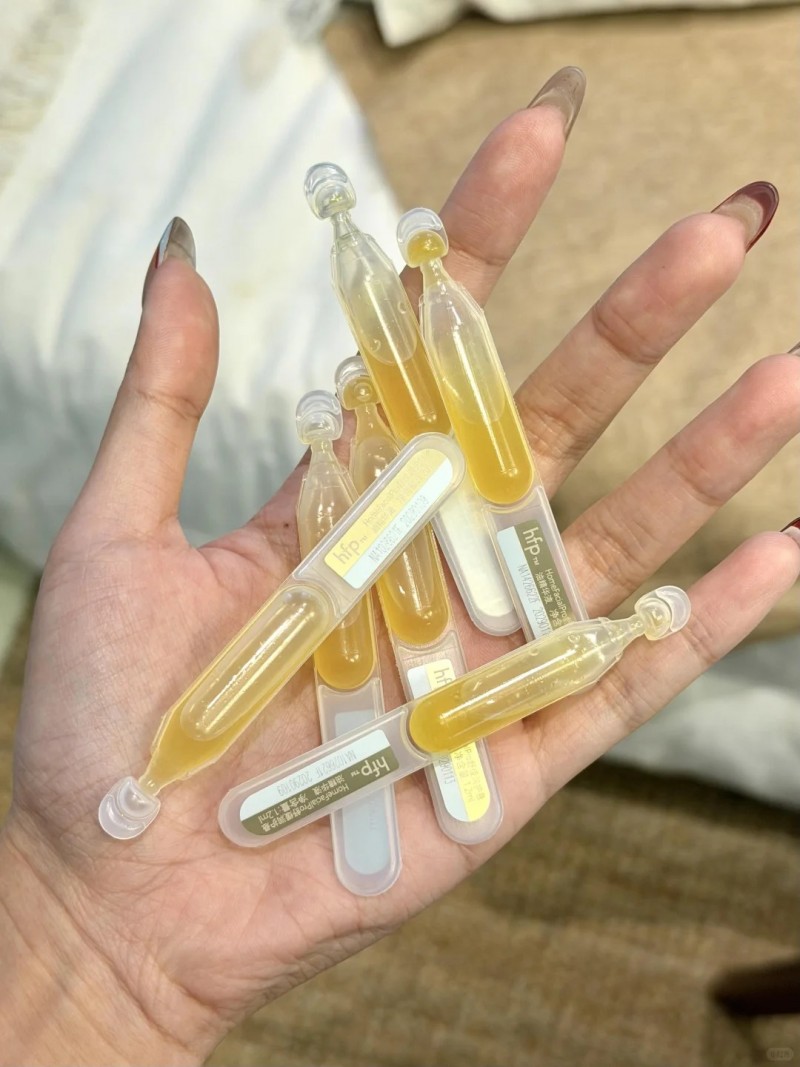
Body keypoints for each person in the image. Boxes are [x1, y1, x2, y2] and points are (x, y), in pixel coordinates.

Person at [0, 67, 797, 1067]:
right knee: (350, 588)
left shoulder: (432, 386)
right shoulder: (359, 478)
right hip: (340, 667)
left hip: (427, 650)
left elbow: (448, 479)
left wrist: (72, 955)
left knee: (428, 554)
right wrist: (69, 925)